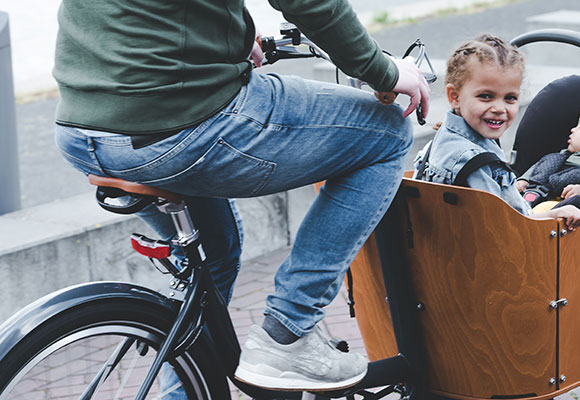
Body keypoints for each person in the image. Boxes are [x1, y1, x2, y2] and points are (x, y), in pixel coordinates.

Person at [52, 0, 429, 393]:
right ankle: (289, 330)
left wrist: (223, 38)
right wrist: (381, 70)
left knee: (214, 252)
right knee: (384, 134)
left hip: (82, 125)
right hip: (173, 123)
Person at [414, 34, 580, 230]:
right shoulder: (475, 162)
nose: (499, 108)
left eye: (510, 98)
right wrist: (552, 215)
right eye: (486, 96)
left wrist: (508, 188)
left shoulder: (443, 140)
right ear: (455, 97)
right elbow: (506, 228)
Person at [514, 99, 580, 203]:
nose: (573, 129)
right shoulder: (562, 156)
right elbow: (537, 168)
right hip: (531, 196)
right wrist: (524, 180)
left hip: (561, 206)